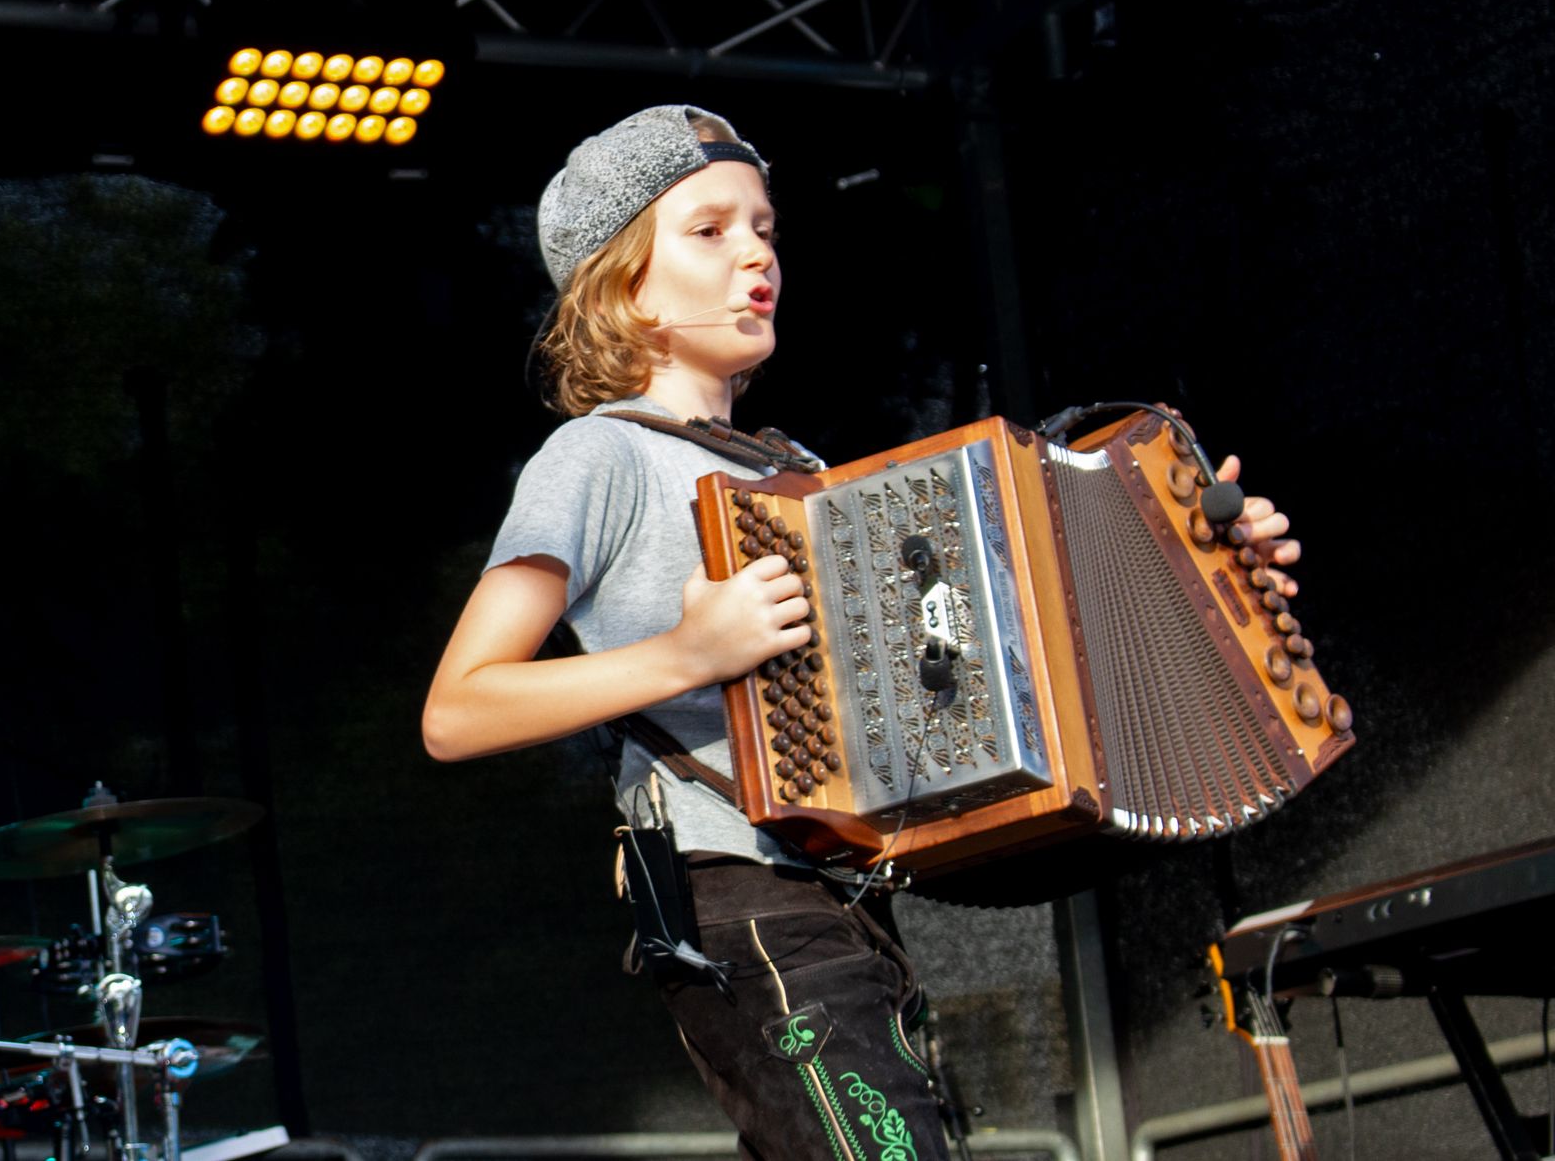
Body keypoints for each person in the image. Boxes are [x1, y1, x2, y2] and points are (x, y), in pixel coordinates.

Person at [422, 105, 1299, 1160]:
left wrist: (1195, 557)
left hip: (846, 902)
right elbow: (456, 708)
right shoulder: (594, 456)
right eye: (708, 230)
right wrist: (685, 658)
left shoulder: (790, 472)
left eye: (763, 226)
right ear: (626, 288)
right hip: (736, 897)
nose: (755, 252)